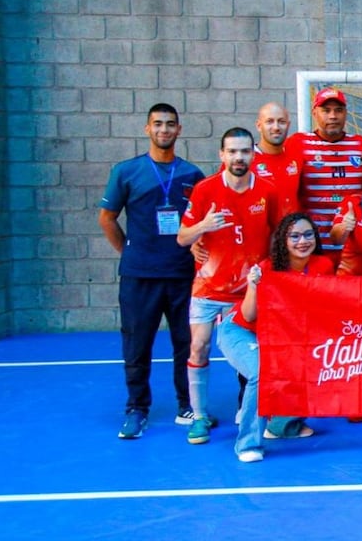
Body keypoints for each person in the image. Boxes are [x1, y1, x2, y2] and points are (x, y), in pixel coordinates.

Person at [99, 103, 205, 439]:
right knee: (137, 344)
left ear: (179, 130)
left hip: (182, 274)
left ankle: (187, 405)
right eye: (158, 124)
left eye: (170, 124)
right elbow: (107, 218)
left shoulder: (192, 175)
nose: (164, 130)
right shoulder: (126, 171)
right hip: (139, 275)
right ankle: (136, 408)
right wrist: (130, 252)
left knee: (186, 343)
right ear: (148, 129)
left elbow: (201, 224)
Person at [176, 128, 283, 445]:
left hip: (248, 291)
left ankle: (249, 410)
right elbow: (182, 238)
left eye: (245, 151)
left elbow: (278, 237)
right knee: (198, 346)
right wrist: (203, 226)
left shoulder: (267, 191)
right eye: (232, 152)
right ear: (222, 155)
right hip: (209, 288)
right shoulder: (205, 190)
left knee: (251, 353)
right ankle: (199, 416)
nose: (239, 157)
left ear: (253, 155)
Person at [220, 213, 334, 462]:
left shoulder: (323, 266)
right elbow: (248, 315)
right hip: (241, 330)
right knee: (261, 373)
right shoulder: (267, 268)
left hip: (281, 334)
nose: (302, 241)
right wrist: (253, 285)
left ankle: (283, 425)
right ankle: (248, 445)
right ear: (283, 240)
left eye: (308, 234)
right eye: (295, 236)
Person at [284, 88, 362, 257]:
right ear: (314, 113)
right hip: (310, 247)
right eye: (326, 110)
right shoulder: (297, 143)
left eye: (338, 110)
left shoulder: (361, 145)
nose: (333, 116)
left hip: (352, 250)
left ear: (346, 113)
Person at [252, 102, 300, 214]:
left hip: (292, 224)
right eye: (269, 121)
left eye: (281, 122)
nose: (276, 127)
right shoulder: (244, 160)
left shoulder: (297, 156)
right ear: (259, 126)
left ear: (288, 125)